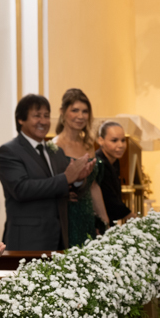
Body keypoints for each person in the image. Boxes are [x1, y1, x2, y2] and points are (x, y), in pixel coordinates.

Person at [0, 94, 93, 252]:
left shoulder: (56, 152)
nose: (43, 121)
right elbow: (21, 189)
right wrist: (66, 179)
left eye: (46, 116)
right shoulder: (8, 151)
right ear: (21, 119)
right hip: (28, 239)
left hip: (59, 237)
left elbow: (67, 189)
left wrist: (77, 180)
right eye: (37, 116)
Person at [53, 88, 108, 245]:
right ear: (62, 112)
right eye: (75, 110)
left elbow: (93, 185)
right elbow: (53, 185)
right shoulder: (55, 146)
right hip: (67, 215)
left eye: (85, 111)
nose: (81, 116)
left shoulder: (88, 144)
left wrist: (104, 220)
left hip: (87, 214)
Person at [95, 121, 131, 226]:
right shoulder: (98, 162)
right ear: (101, 141)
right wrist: (130, 215)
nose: (121, 145)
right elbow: (108, 197)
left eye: (123, 140)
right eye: (114, 140)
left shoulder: (114, 161)